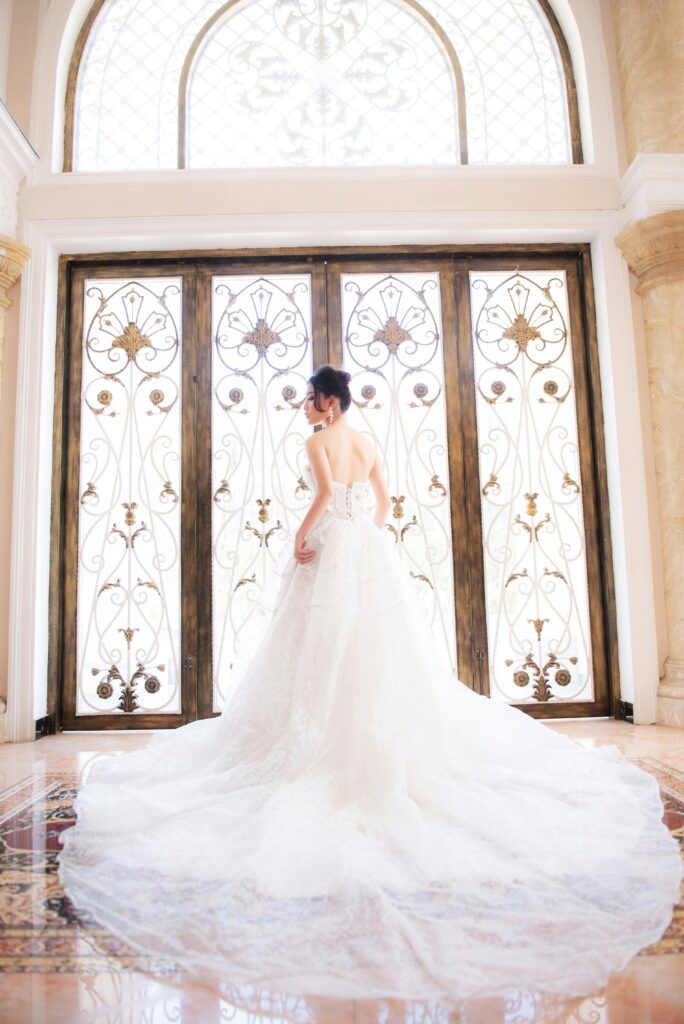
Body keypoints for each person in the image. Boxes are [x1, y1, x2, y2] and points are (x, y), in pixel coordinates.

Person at [58, 364, 683, 1006]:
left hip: (331, 549)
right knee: (374, 650)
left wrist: (303, 534)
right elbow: (384, 503)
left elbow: (326, 495)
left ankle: (318, 736)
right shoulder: (368, 442)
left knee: (317, 648)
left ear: (328, 401)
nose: (305, 406)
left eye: (309, 397)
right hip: (366, 552)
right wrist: (364, 534)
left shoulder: (317, 441)